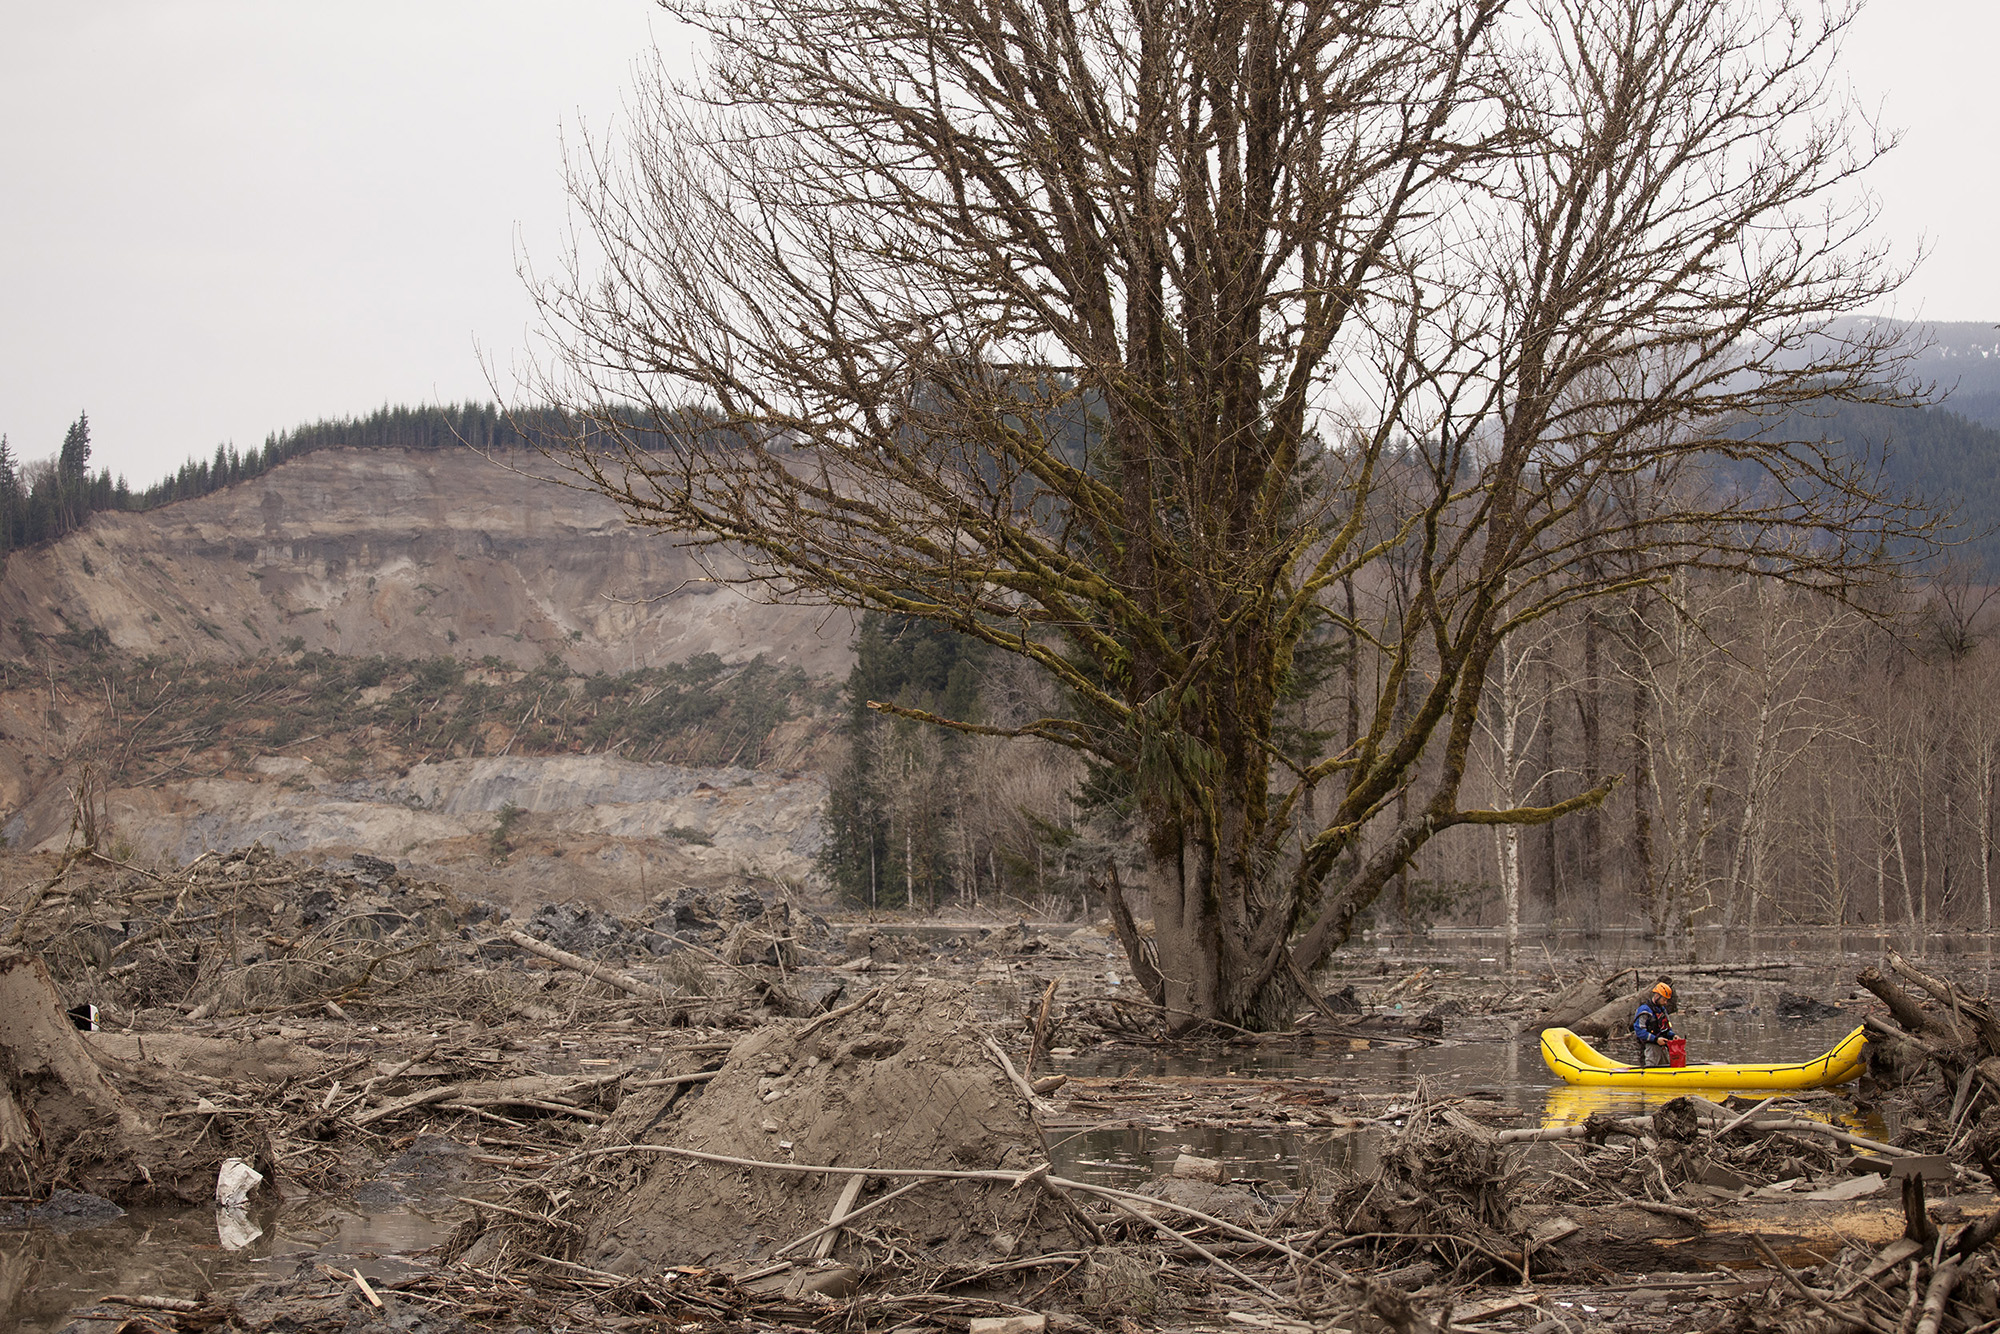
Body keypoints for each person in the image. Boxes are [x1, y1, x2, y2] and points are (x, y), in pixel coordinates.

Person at [1633, 978, 1678, 1068]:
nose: (1665, 1003)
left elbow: (1665, 1028)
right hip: (1649, 1048)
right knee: (1650, 1068)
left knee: (1666, 1067)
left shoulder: (1662, 1010)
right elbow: (1639, 1030)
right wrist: (1656, 1039)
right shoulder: (1645, 1010)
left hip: (1661, 1047)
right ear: (1657, 996)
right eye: (1664, 1000)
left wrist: (1672, 1036)